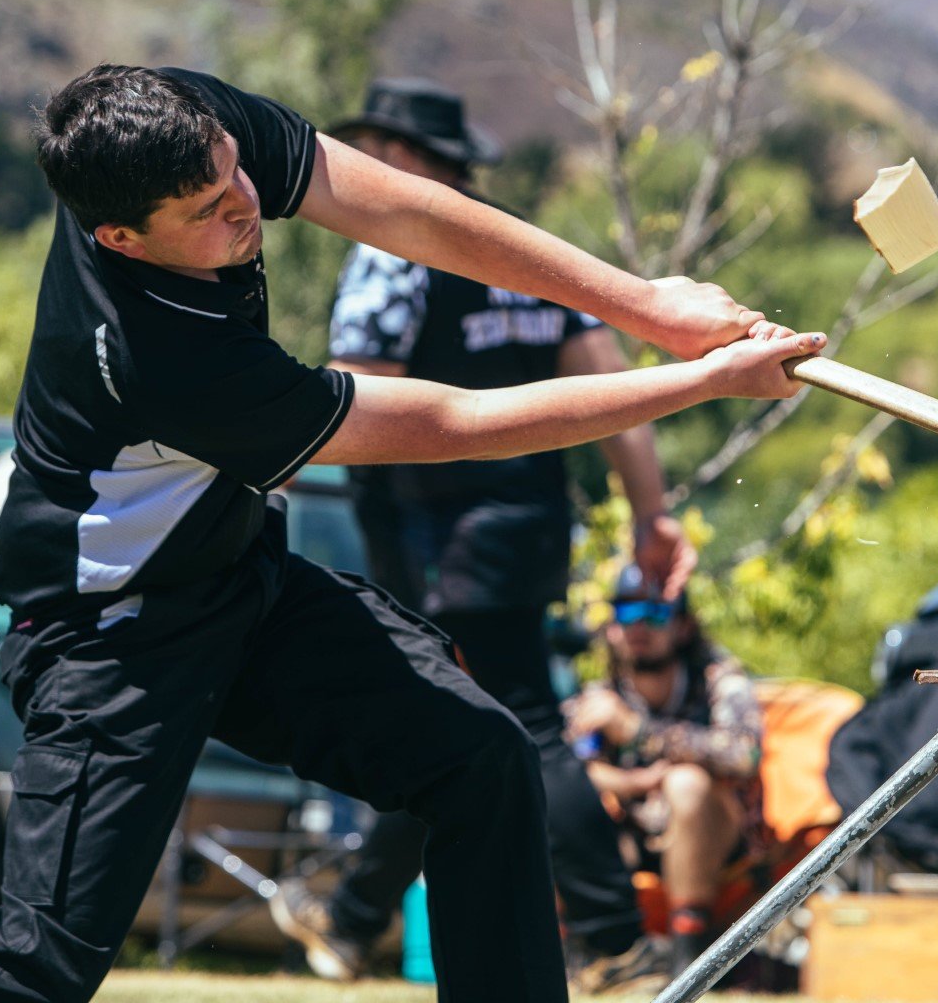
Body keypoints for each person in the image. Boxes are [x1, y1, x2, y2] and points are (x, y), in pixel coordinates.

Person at [0, 64, 825, 1003]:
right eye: (207, 210)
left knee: (480, 754)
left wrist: (646, 303)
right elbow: (450, 424)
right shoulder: (161, 358)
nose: (244, 202)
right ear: (123, 236)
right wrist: (698, 380)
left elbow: (404, 209)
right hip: (114, 636)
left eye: (236, 169)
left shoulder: (180, 125)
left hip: (240, 577)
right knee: (41, 959)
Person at [270, 78, 695, 992]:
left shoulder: (393, 255)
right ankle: (353, 919)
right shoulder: (530, 254)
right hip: (533, 521)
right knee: (455, 721)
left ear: (414, 162)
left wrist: (251, 450)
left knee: (515, 723)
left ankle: (616, 939)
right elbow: (612, 392)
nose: (359, 170)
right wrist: (651, 516)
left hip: (435, 531)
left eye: (377, 150)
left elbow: (355, 399)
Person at [566, 565, 764, 978]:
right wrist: (629, 782)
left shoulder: (717, 678)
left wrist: (639, 732)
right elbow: (563, 770)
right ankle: (581, 951)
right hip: (632, 841)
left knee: (685, 783)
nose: (638, 625)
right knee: (553, 800)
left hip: (718, 841)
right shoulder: (602, 694)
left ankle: (687, 952)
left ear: (683, 625)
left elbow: (745, 755)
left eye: (654, 613)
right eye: (625, 613)